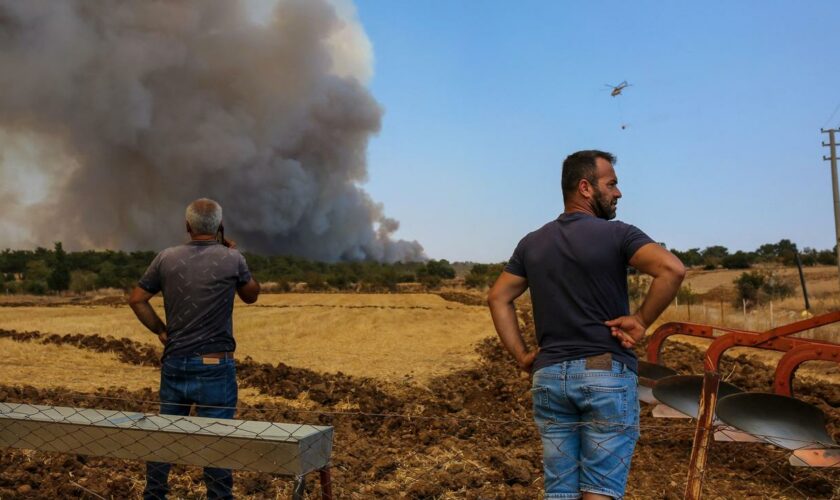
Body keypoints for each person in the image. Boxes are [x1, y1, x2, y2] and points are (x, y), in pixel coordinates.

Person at [487, 150, 685, 499]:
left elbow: (498, 298)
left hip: (549, 378)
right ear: (586, 188)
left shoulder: (531, 244)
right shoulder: (618, 235)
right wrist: (640, 320)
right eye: (612, 184)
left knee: (560, 491)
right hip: (604, 370)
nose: (618, 193)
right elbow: (672, 269)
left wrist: (521, 355)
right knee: (600, 491)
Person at [129, 198, 260, 500]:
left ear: (187, 227)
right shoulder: (232, 259)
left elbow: (137, 299)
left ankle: (155, 494)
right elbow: (252, 295)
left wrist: (162, 331)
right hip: (216, 366)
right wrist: (234, 253)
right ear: (218, 227)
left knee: (164, 438)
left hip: (174, 362)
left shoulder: (165, 258)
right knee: (216, 441)